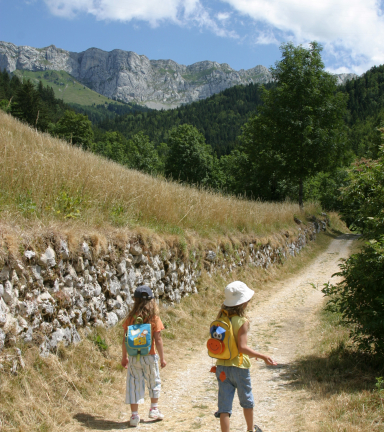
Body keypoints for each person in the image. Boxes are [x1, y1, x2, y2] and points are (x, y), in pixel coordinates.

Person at [214, 281, 277, 432]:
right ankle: (250, 429)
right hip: (240, 367)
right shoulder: (242, 321)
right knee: (247, 400)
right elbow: (242, 347)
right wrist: (262, 356)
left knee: (224, 407)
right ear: (243, 304)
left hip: (222, 368)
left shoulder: (220, 320)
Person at [121, 285, 167, 427]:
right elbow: (158, 340)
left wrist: (124, 357)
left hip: (134, 357)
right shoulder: (154, 318)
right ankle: (153, 409)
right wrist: (163, 358)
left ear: (135, 301)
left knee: (134, 384)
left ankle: (134, 416)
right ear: (151, 301)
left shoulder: (130, 319)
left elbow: (124, 339)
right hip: (150, 356)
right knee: (153, 381)